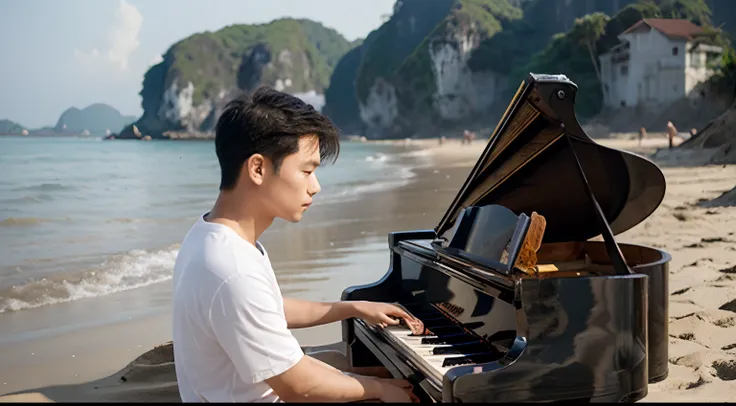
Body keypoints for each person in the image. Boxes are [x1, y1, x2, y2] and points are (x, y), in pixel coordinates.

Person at [171, 86, 420, 403]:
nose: (315, 187)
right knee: (398, 386)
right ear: (258, 168)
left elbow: (268, 308)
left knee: (372, 373)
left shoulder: (211, 236)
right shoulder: (232, 270)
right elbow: (299, 387)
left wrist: (352, 308)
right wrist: (379, 389)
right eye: (307, 170)